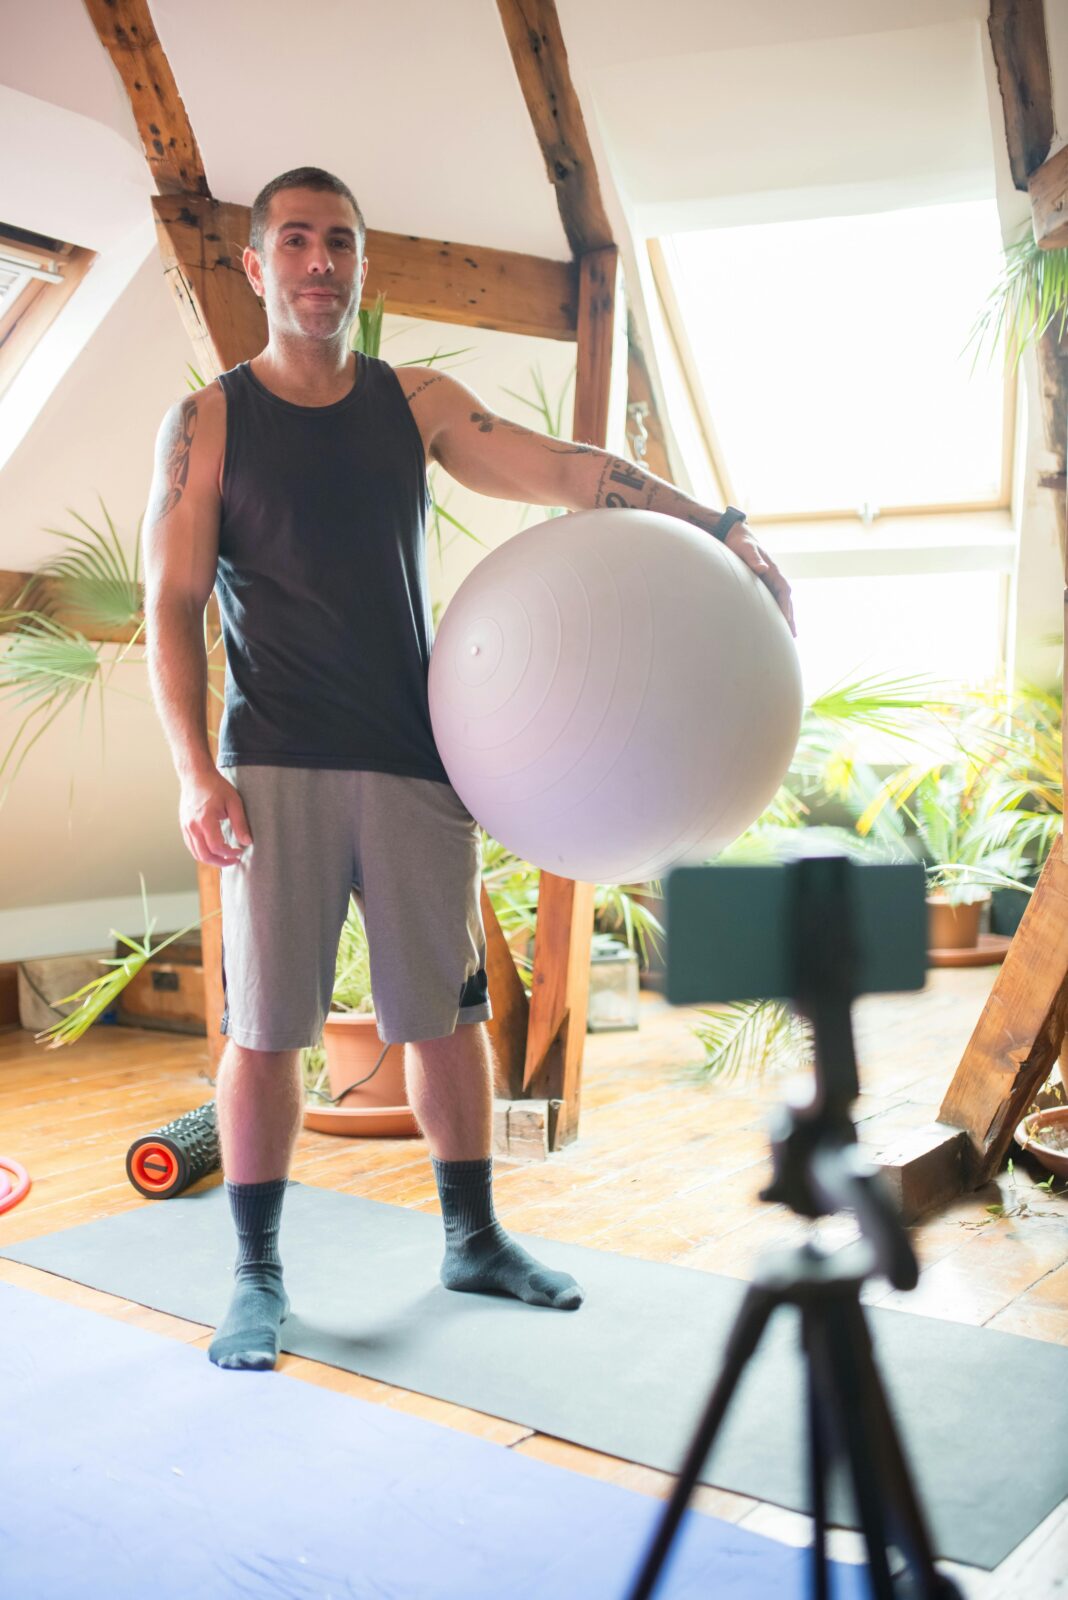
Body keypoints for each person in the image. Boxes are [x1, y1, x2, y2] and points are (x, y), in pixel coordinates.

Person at [143, 166, 794, 1373]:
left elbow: (561, 471)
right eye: (295, 241)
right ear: (255, 265)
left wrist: (716, 526)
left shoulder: (416, 402)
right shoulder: (211, 422)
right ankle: (256, 1272)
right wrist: (195, 770)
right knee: (266, 1029)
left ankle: (474, 1236)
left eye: (340, 241)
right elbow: (171, 605)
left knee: (445, 1017)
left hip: (412, 757)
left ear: (362, 262)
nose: (320, 262)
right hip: (272, 762)